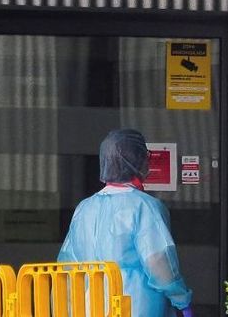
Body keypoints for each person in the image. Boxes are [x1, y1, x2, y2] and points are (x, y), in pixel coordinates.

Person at [58, 129, 193, 317]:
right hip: (135, 308)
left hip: (90, 308)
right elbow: (158, 261)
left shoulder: (84, 209)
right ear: (137, 161)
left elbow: (67, 265)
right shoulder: (145, 206)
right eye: (145, 157)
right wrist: (181, 300)